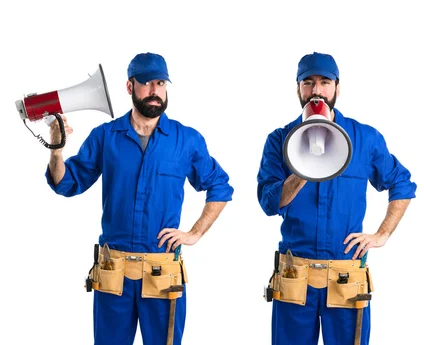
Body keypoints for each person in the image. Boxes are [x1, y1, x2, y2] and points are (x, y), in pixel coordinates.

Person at [45, 52, 234, 345]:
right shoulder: (106, 136)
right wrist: (56, 150)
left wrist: (195, 233)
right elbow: (66, 183)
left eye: (160, 83)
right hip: (113, 273)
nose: (155, 91)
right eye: (146, 83)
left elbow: (220, 186)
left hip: (162, 274)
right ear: (130, 86)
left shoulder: (187, 140)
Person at [257, 52, 417, 345]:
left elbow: (403, 184)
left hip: (346, 277)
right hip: (295, 276)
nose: (316, 91)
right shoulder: (279, 140)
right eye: (308, 82)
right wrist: (302, 169)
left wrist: (381, 235)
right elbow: (269, 203)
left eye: (324, 82)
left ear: (337, 88)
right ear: (298, 88)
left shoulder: (365, 138)